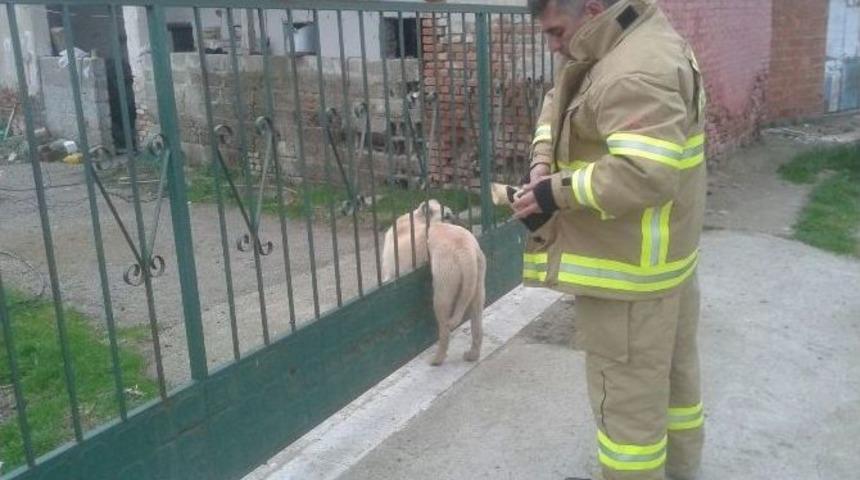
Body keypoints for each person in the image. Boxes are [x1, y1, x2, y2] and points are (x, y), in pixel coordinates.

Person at [511, 1, 707, 479]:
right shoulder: (620, 43)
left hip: (630, 282)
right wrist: (542, 157)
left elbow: (644, 174)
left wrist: (553, 192)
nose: (554, 45)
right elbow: (557, 101)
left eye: (557, 30)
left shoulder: (632, 71)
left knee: (627, 426)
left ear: (594, 7)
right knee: (674, 391)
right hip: (664, 266)